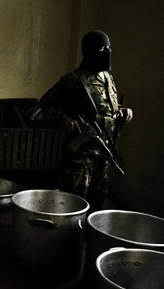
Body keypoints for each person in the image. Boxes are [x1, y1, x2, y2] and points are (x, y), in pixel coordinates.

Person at [39, 30, 133, 214]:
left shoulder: (108, 78)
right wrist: (62, 118)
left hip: (104, 152)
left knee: (97, 201)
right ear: (90, 51)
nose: (107, 51)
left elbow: (105, 107)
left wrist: (122, 110)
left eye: (108, 47)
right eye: (102, 48)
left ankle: (90, 238)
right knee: (72, 202)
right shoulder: (73, 79)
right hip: (80, 155)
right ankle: (66, 240)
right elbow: (46, 102)